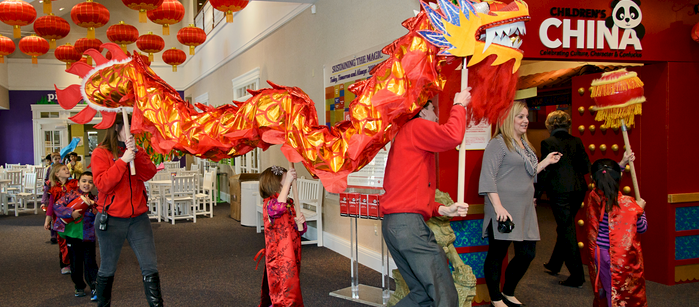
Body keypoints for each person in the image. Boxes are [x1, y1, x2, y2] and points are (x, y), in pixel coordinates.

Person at [380, 91, 471, 307]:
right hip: (408, 226)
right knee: (445, 296)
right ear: (421, 111)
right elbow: (452, 136)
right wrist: (459, 105)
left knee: (423, 295)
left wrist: (442, 210)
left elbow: (410, 191)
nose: (437, 117)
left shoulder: (406, 135)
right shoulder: (416, 127)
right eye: (434, 111)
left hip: (396, 224)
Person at [478, 101, 561, 307]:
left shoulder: (525, 144)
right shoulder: (498, 143)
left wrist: (545, 162)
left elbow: (528, 172)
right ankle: (496, 298)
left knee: (527, 254)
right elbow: (488, 177)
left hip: (525, 209)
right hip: (503, 208)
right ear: (508, 120)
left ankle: (508, 291)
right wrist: (498, 208)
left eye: (526, 116)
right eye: (520, 117)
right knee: (497, 254)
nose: (526, 121)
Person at [91, 116, 160, 307]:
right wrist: (122, 161)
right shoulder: (100, 153)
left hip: (138, 219)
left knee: (150, 267)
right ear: (116, 127)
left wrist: (136, 153)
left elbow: (149, 172)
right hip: (111, 220)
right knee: (108, 267)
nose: (133, 132)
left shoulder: (135, 151)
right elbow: (103, 185)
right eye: (130, 128)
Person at [536, 111, 590, 288]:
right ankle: (554, 263)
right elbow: (585, 167)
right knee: (566, 226)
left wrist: (536, 194)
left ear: (550, 125)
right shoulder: (577, 141)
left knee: (567, 229)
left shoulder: (548, 142)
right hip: (579, 190)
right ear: (568, 125)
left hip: (559, 191)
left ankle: (576, 276)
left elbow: (547, 171)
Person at [584, 159, 647, 307]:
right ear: (618, 178)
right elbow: (642, 228)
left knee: (607, 290)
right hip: (620, 258)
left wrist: (622, 164)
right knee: (620, 294)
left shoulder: (594, 196)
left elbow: (605, 177)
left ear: (594, 179)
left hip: (600, 253)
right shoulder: (629, 204)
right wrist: (641, 210)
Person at [256, 165, 307, 307]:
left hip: (292, 253)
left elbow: (297, 230)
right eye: (286, 181)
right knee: (284, 289)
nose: (289, 184)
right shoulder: (270, 205)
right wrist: (289, 180)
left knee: (290, 284)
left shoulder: (289, 203)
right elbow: (278, 208)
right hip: (279, 256)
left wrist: (300, 224)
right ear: (275, 183)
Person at [50, 172, 99, 300]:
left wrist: (93, 205)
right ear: (78, 183)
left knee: (90, 263)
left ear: (94, 185)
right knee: (75, 263)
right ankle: (79, 285)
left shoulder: (95, 199)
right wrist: (71, 212)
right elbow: (57, 206)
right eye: (84, 181)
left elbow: (100, 210)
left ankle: (95, 287)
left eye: (90, 182)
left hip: (88, 236)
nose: (86, 184)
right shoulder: (69, 196)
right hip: (72, 235)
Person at [43, 163, 78, 275]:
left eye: (67, 168)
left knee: (75, 239)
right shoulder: (54, 189)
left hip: (74, 217)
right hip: (60, 219)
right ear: (57, 174)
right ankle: (65, 263)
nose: (67, 170)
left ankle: (75, 263)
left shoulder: (74, 184)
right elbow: (51, 206)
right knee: (62, 241)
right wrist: (47, 220)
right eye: (64, 169)